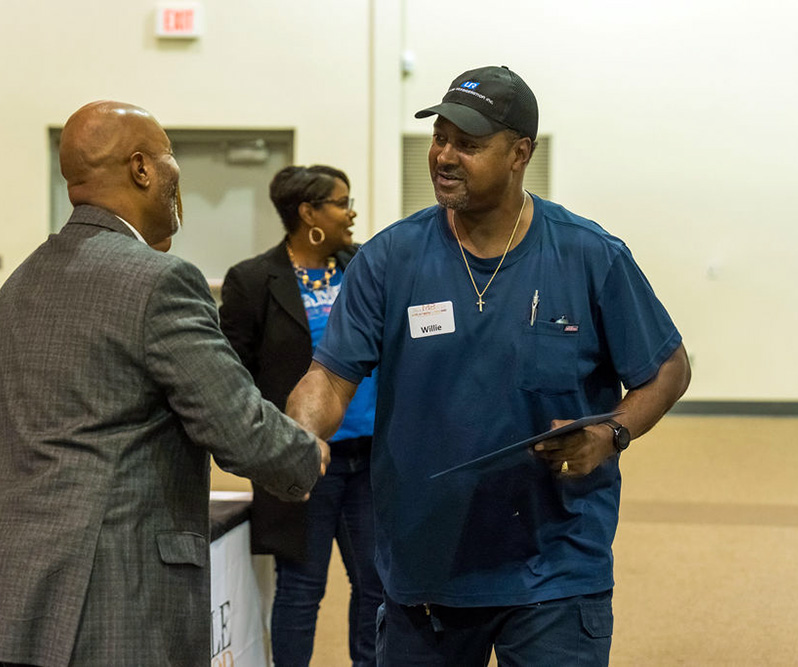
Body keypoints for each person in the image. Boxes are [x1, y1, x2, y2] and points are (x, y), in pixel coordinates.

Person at [285, 66, 692, 666]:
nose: (445, 156)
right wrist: (296, 434)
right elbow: (330, 376)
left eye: (468, 144)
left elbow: (668, 369)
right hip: (427, 565)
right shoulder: (389, 260)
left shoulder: (588, 255)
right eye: (440, 137)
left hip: (556, 561)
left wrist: (611, 434)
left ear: (519, 153)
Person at [0, 101, 329, 667]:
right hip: (113, 609)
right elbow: (237, 426)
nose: (179, 175)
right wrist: (306, 453)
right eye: (171, 156)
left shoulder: (12, 291)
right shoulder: (161, 282)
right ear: (142, 169)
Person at [219, 165, 383, 667]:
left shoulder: (365, 265)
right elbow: (234, 373)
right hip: (303, 461)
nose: (351, 212)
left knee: (376, 587)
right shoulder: (252, 280)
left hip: (372, 457)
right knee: (301, 589)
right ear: (309, 213)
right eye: (341, 202)